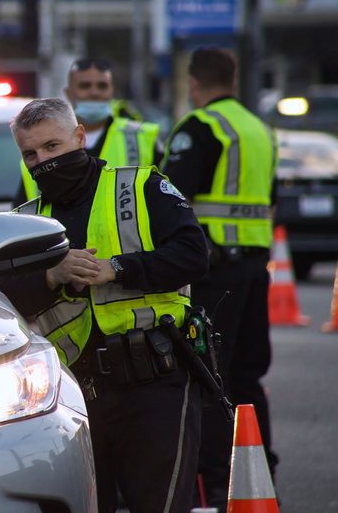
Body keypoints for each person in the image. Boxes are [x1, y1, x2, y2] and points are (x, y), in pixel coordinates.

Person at [0, 97, 209, 513]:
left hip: (155, 383)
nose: (43, 162)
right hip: (74, 399)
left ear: (80, 136)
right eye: (30, 154)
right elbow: (0, 303)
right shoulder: (25, 221)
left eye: (53, 147)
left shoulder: (141, 186)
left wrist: (118, 268)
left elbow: (193, 256)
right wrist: (52, 278)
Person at [160, 47, 278, 511]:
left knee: (210, 379)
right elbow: (268, 200)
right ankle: (259, 475)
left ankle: (213, 485)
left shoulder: (201, 127)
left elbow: (168, 199)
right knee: (249, 378)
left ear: (193, 82)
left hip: (214, 273)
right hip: (255, 268)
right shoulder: (259, 129)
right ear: (232, 78)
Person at [15, 57, 162, 204]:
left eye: (102, 86)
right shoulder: (36, 151)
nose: (94, 92)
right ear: (68, 92)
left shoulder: (142, 137)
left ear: (112, 91)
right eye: (85, 86)